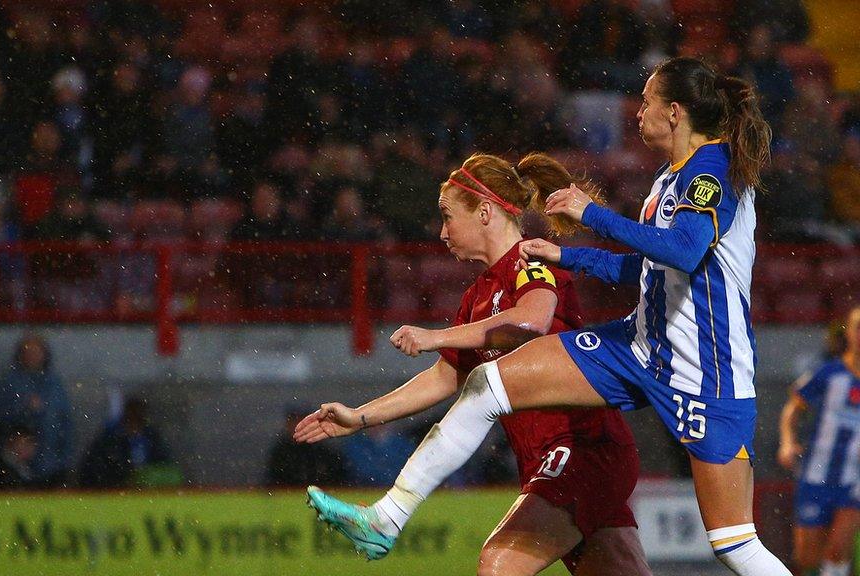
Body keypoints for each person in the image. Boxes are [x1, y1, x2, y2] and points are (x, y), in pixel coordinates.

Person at [302, 56, 787, 575]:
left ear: (674, 112)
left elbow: (685, 252)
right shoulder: (668, 181)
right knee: (487, 384)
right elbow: (649, 273)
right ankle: (389, 516)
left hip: (707, 371)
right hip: (640, 347)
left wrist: (591, 216)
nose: (637, 111)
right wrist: (569, 254)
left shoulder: (713, 171)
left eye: (645, 101)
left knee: (734, 544)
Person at [297, 152, 650, 574]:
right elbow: (445, 378)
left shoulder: (532, 258)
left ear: (485, 211)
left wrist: (434, 336)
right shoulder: (478, 297)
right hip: (549, 458)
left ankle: (387, 516)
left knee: (497, 565)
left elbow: (531, 320)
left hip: (580, 451)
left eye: (447, 216)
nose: (442, 232)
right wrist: (360, 417)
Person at [778, 306, 860, 576]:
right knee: (807, 558)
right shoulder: (828, 373)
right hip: (817, 474)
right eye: (858, 327)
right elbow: (792, 409)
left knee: (838, 551)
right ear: (849, 333)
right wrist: (788, 443)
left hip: (854, 478)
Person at [0, 334, 73, 487]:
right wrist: (23, 409)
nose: (33, 356)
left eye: (37, 352)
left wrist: (64, 458)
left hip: (50, 462)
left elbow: (65, 421)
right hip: (15, 463)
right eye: (28, 352)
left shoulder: (55, 384)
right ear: (20, 355)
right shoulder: (7, 382)